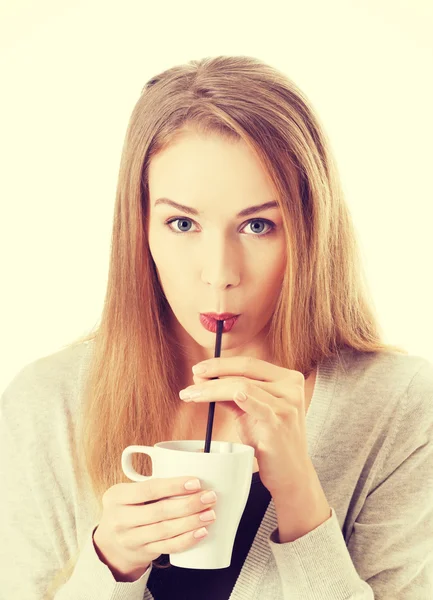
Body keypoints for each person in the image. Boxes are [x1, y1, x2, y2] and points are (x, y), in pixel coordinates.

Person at [1, 55, 432, 600]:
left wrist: (300, 498)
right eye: (182, 223)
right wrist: (110, 567)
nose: (220, 275)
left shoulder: (398, 407)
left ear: (309, 229)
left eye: (258, 225)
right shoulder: (47, 405)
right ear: (141, 229)